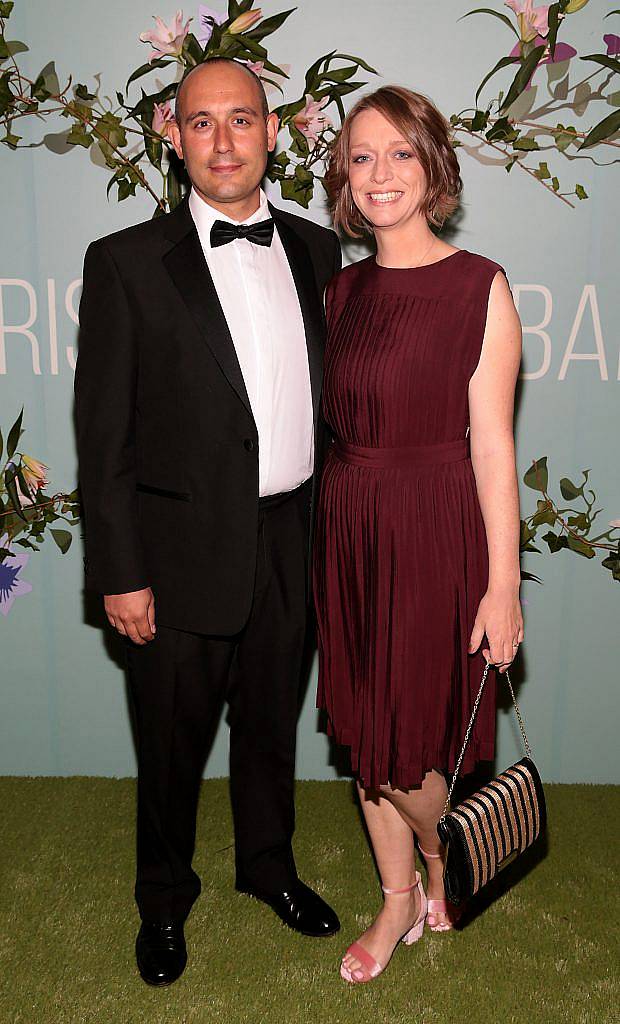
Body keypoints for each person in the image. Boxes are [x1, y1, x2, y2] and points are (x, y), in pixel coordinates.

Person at [75, 57, 341, 987]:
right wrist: (118, 569)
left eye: (241, 120)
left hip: (291, 538)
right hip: (176, 553)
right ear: (171, 133)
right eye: (201, 123)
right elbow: (102, 435)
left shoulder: (317, 250)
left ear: (274, 132)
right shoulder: (124, 263)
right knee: (172, 740)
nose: (223, 141)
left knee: (271, 725)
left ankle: (269, 868)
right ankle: (163, 899)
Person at [313, 85, 524, 984]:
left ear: (434, 165)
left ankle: (449, 854)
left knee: (405, 745)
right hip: (350, 527)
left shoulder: (480, 285)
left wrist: (503, 585)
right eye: (362, 156)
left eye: (401, 152)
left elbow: (492, 448)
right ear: (344, 178)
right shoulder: (340, 291)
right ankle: (399, 897)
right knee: (366, 739)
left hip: (435, 526)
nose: (381, 173)